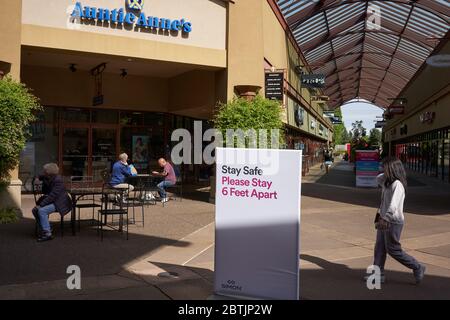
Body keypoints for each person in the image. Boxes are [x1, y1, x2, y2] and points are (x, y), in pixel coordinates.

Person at [368, 157, 426, 284]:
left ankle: (417, 266)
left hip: (392, 221)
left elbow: (393, 205)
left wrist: (385, 218)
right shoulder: (387, 182)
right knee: (379, 248)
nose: (382, 169)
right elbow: (378, 178)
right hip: (383, 218)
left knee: (393, 250)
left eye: (385, 167)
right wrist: (381, 218)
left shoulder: (397, 185)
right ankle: (378, 274)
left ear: (392, 169)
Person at [32, 163, 72, 242]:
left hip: (61, 202)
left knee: (41, 210)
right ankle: (48, 227)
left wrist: (41, 205)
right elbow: (39, 175)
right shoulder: (49, 177)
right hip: (53, 201)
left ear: (48, 172)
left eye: (44, 171)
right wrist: (37, 178)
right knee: (34, 210)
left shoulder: (58, 180)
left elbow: (52, 196)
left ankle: (47, 234)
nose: (43, 172)